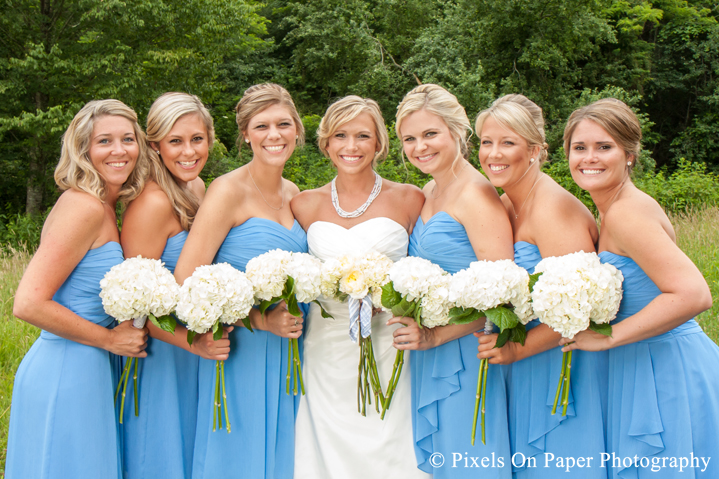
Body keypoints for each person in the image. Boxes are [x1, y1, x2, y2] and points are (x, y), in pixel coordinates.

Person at [561, 98, 719, 478]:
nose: (589, 158)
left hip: (667, 369)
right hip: (640, 367)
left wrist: (608, 336)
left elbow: (694, 294)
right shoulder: (612, 209)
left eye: (604, 147)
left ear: (629, 154)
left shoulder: (626, 213)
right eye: (579, 148)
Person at [6, 100, 149, 479]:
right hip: (65, 370)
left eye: (128, 139)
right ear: (83, 150)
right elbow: (28, 303)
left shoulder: (106, 205)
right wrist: (109, 340)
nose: (119, 151)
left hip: (92, 369)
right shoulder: (82, 207)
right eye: (105, 141)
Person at [174, 83, 306, 479]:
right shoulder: (227, 190)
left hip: (291, 352)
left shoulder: (294, 193)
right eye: (261, 125)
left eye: (283, 124)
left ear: (297, 129)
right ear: (246, 134)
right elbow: (187, 279)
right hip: (240, 349)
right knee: (237, 459)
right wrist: (260, 319)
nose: (274, 135)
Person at [291, 95, 426, 479]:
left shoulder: (409, 198)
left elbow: (423, 270)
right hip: (326, 348)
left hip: (390, 343)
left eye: (363, 136)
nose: (352, 147)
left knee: (390, 444)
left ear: (380, 143)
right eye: (341, 136)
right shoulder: (303, 204)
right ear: (326, 144)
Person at [475, 94, 607, 478]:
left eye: (508, 142)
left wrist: (520, 350)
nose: (493, 154)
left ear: (535, 150)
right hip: (523, 363)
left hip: (559, 364)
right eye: (486, 142)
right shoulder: (503, 202)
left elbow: (578, 307)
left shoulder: (553, 210)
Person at [390, 84, 514, 478]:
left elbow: (503, 295)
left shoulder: (477, 195)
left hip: (465, 351)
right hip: (431, 351)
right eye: (409, 138)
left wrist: (437, 336)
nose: (419, 147)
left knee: (470, 459)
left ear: (458, 132)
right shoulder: (430, 190)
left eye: (430, 134)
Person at [119, 92, 220, 478]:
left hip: (198, 350)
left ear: (210, 139)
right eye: (175, 141)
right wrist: (194, 343)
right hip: (165, 355)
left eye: (197, 139)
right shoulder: (151, 203)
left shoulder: (197, 189)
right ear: (155, 145)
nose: (189, 152)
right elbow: (135, 307)